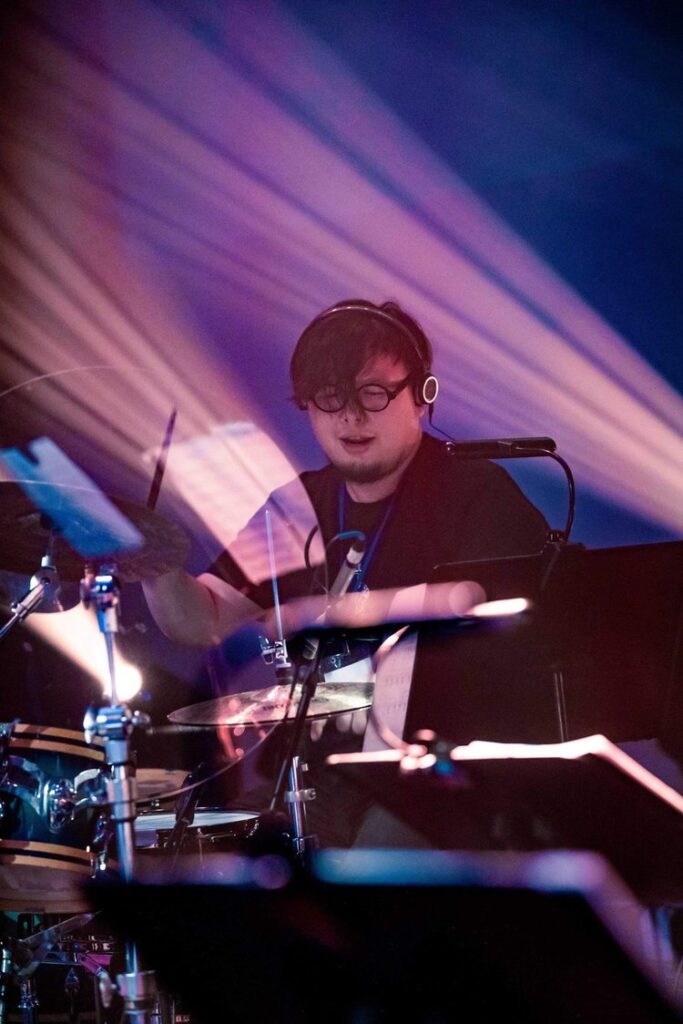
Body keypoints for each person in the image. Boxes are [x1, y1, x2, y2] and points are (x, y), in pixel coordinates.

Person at [143, 298, 548, 646]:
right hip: (334, 735)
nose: (351, 418)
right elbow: (204, 622)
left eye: (373, 393)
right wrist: (152, 562)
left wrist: (316, 616)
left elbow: (477, 602)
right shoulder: (295, 507)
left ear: (421, 397)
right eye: (331, 397)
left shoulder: (478, 492)